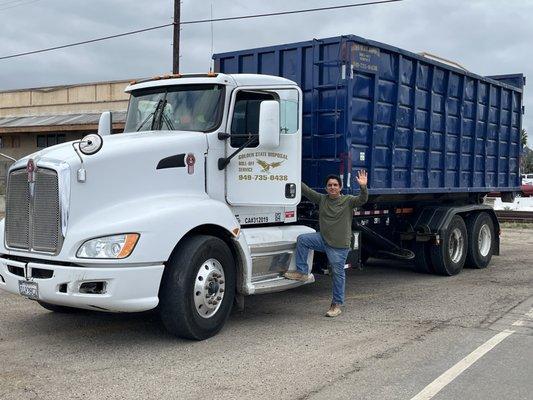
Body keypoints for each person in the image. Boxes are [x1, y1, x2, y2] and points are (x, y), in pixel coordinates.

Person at [284, 170, 368, 317]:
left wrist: (363, 186)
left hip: (339, 246)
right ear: (326, 188)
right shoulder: (322, 199)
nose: (332, 187)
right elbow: (306, 190)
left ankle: (336, 304)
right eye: (329, 185)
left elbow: (362, 199)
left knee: (337, 274)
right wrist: (293, 174)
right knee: (303, 240)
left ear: (340, 187)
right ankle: (302, 272)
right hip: (323, 240)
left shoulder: (348, 201)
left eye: (335, 185)